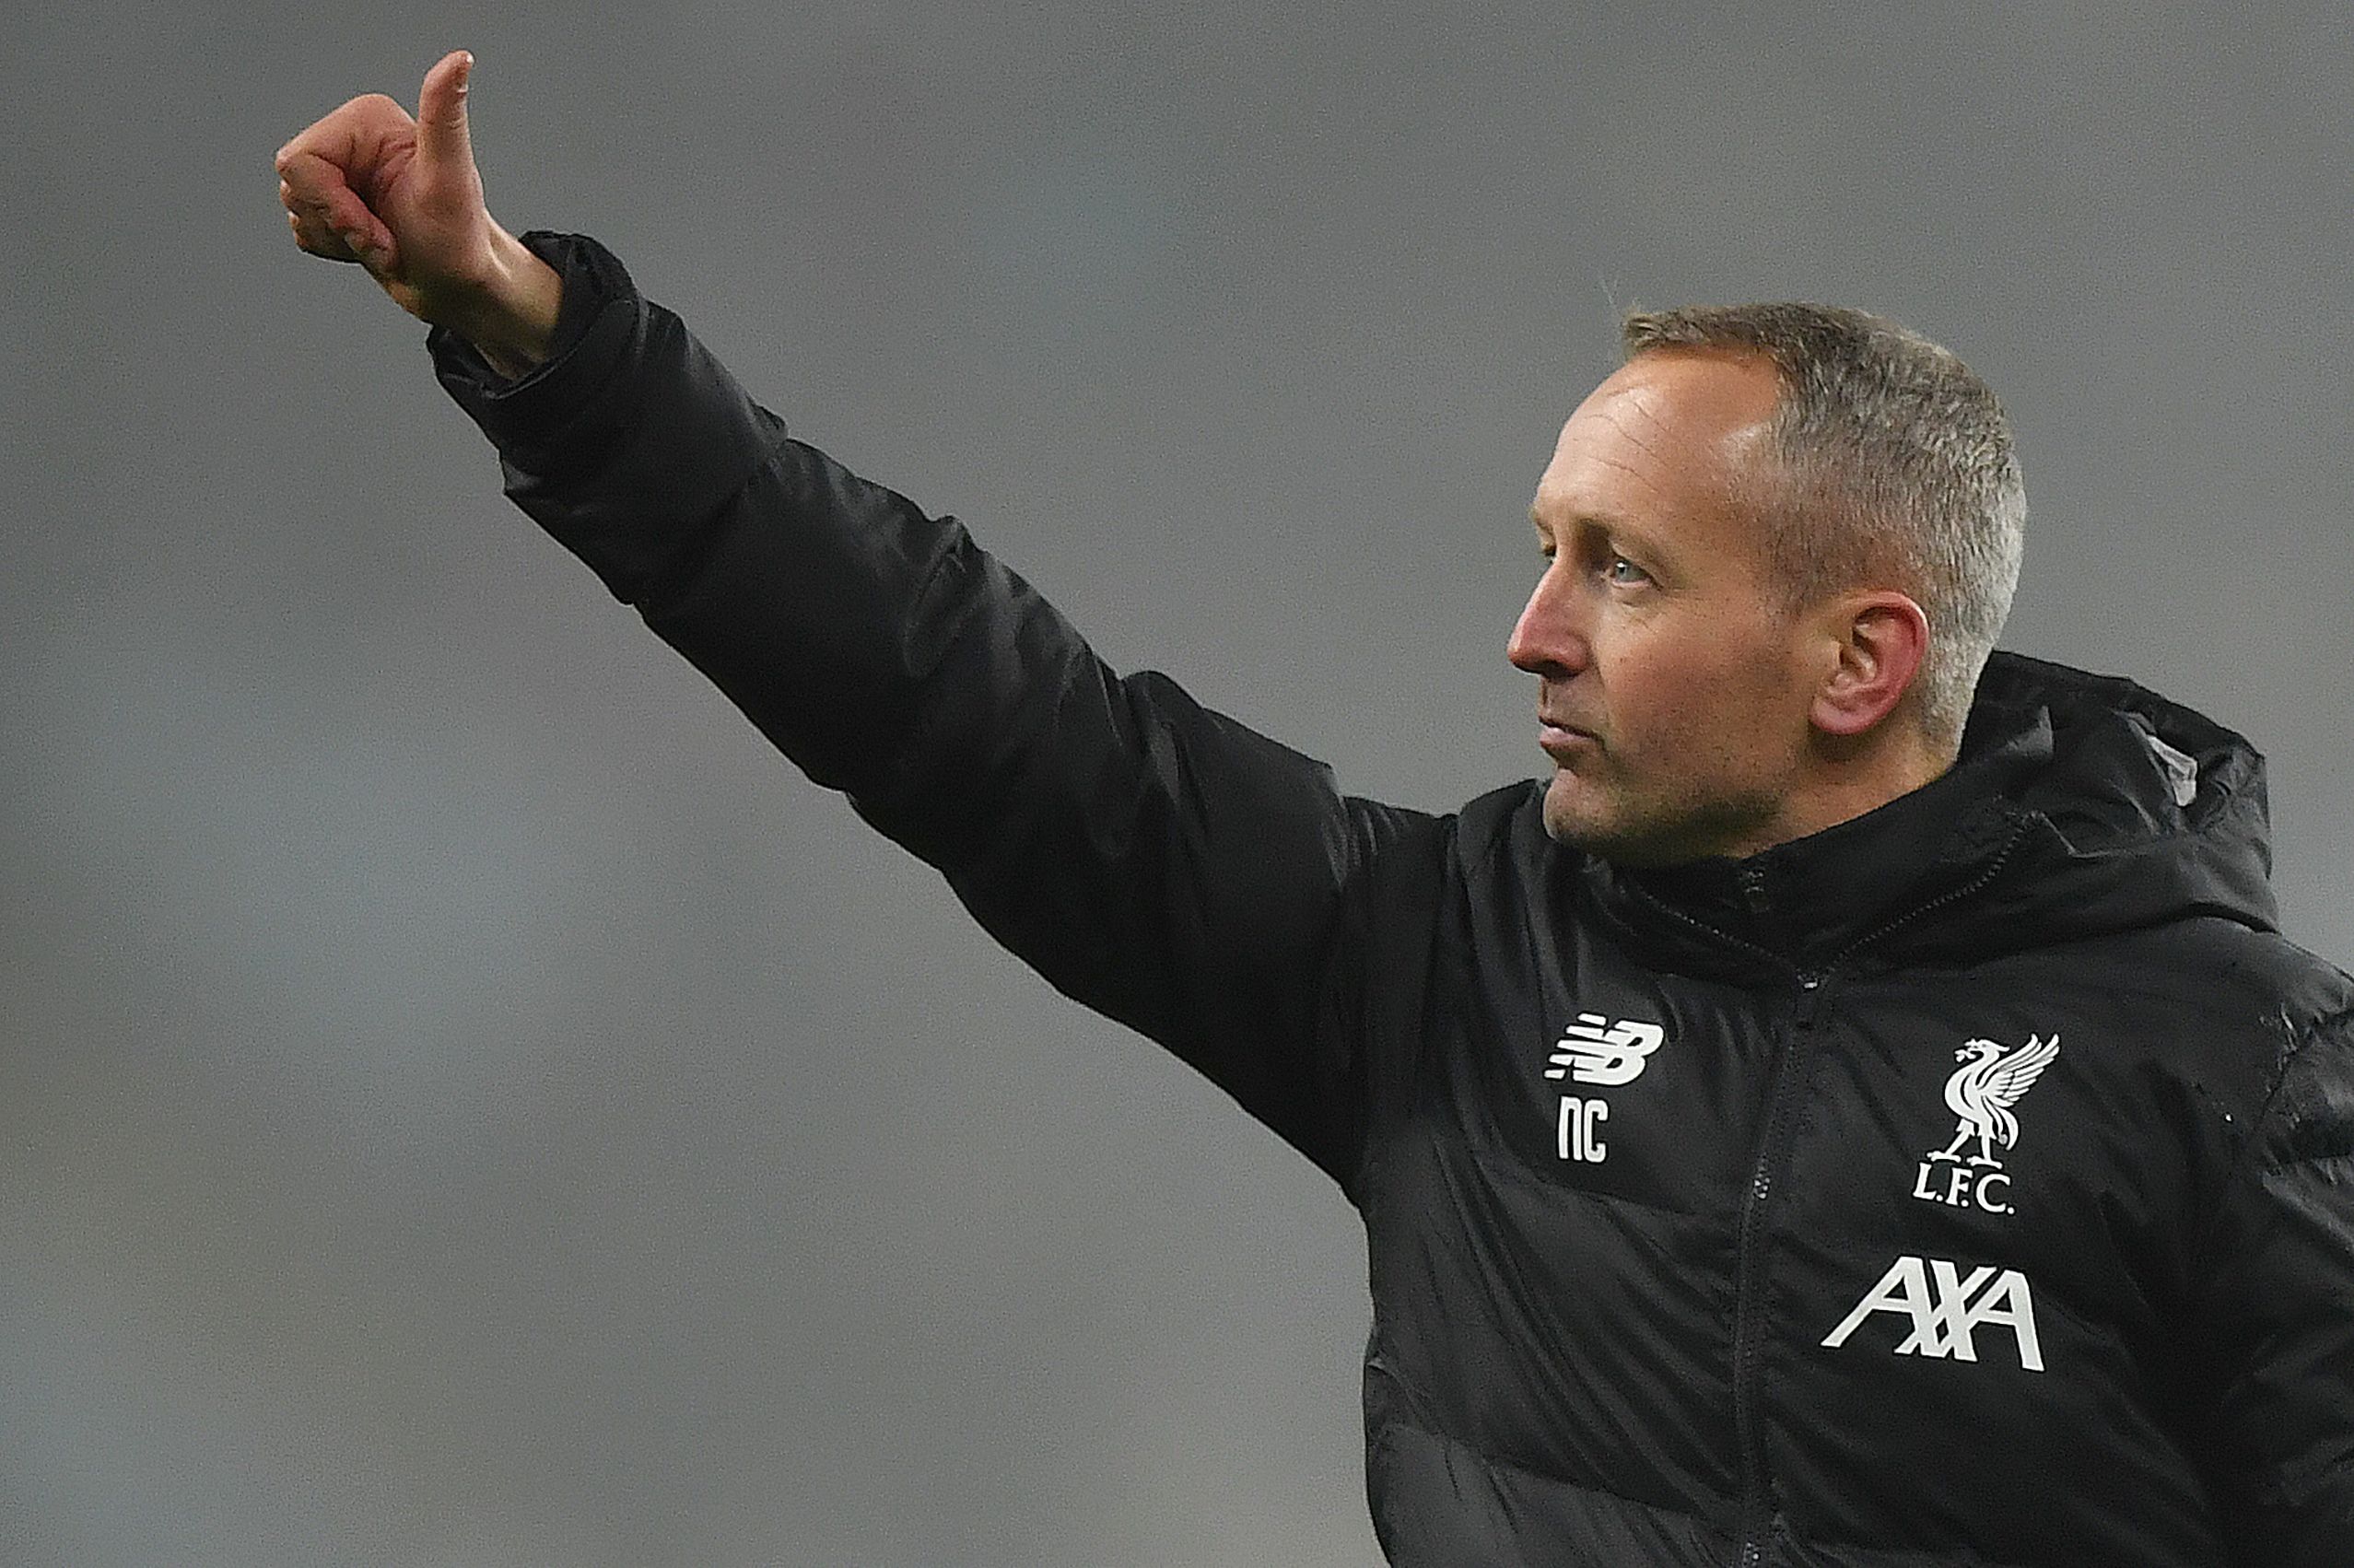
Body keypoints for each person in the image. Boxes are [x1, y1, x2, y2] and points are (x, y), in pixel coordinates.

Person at [275, 52, 2354, 1568]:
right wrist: (547, 349)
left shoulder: (2236, 1068)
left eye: (1620, 567)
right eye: (1549, 547)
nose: (1531, 631)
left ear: (1857, 659)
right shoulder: (1449, 951)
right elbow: (965, 704)